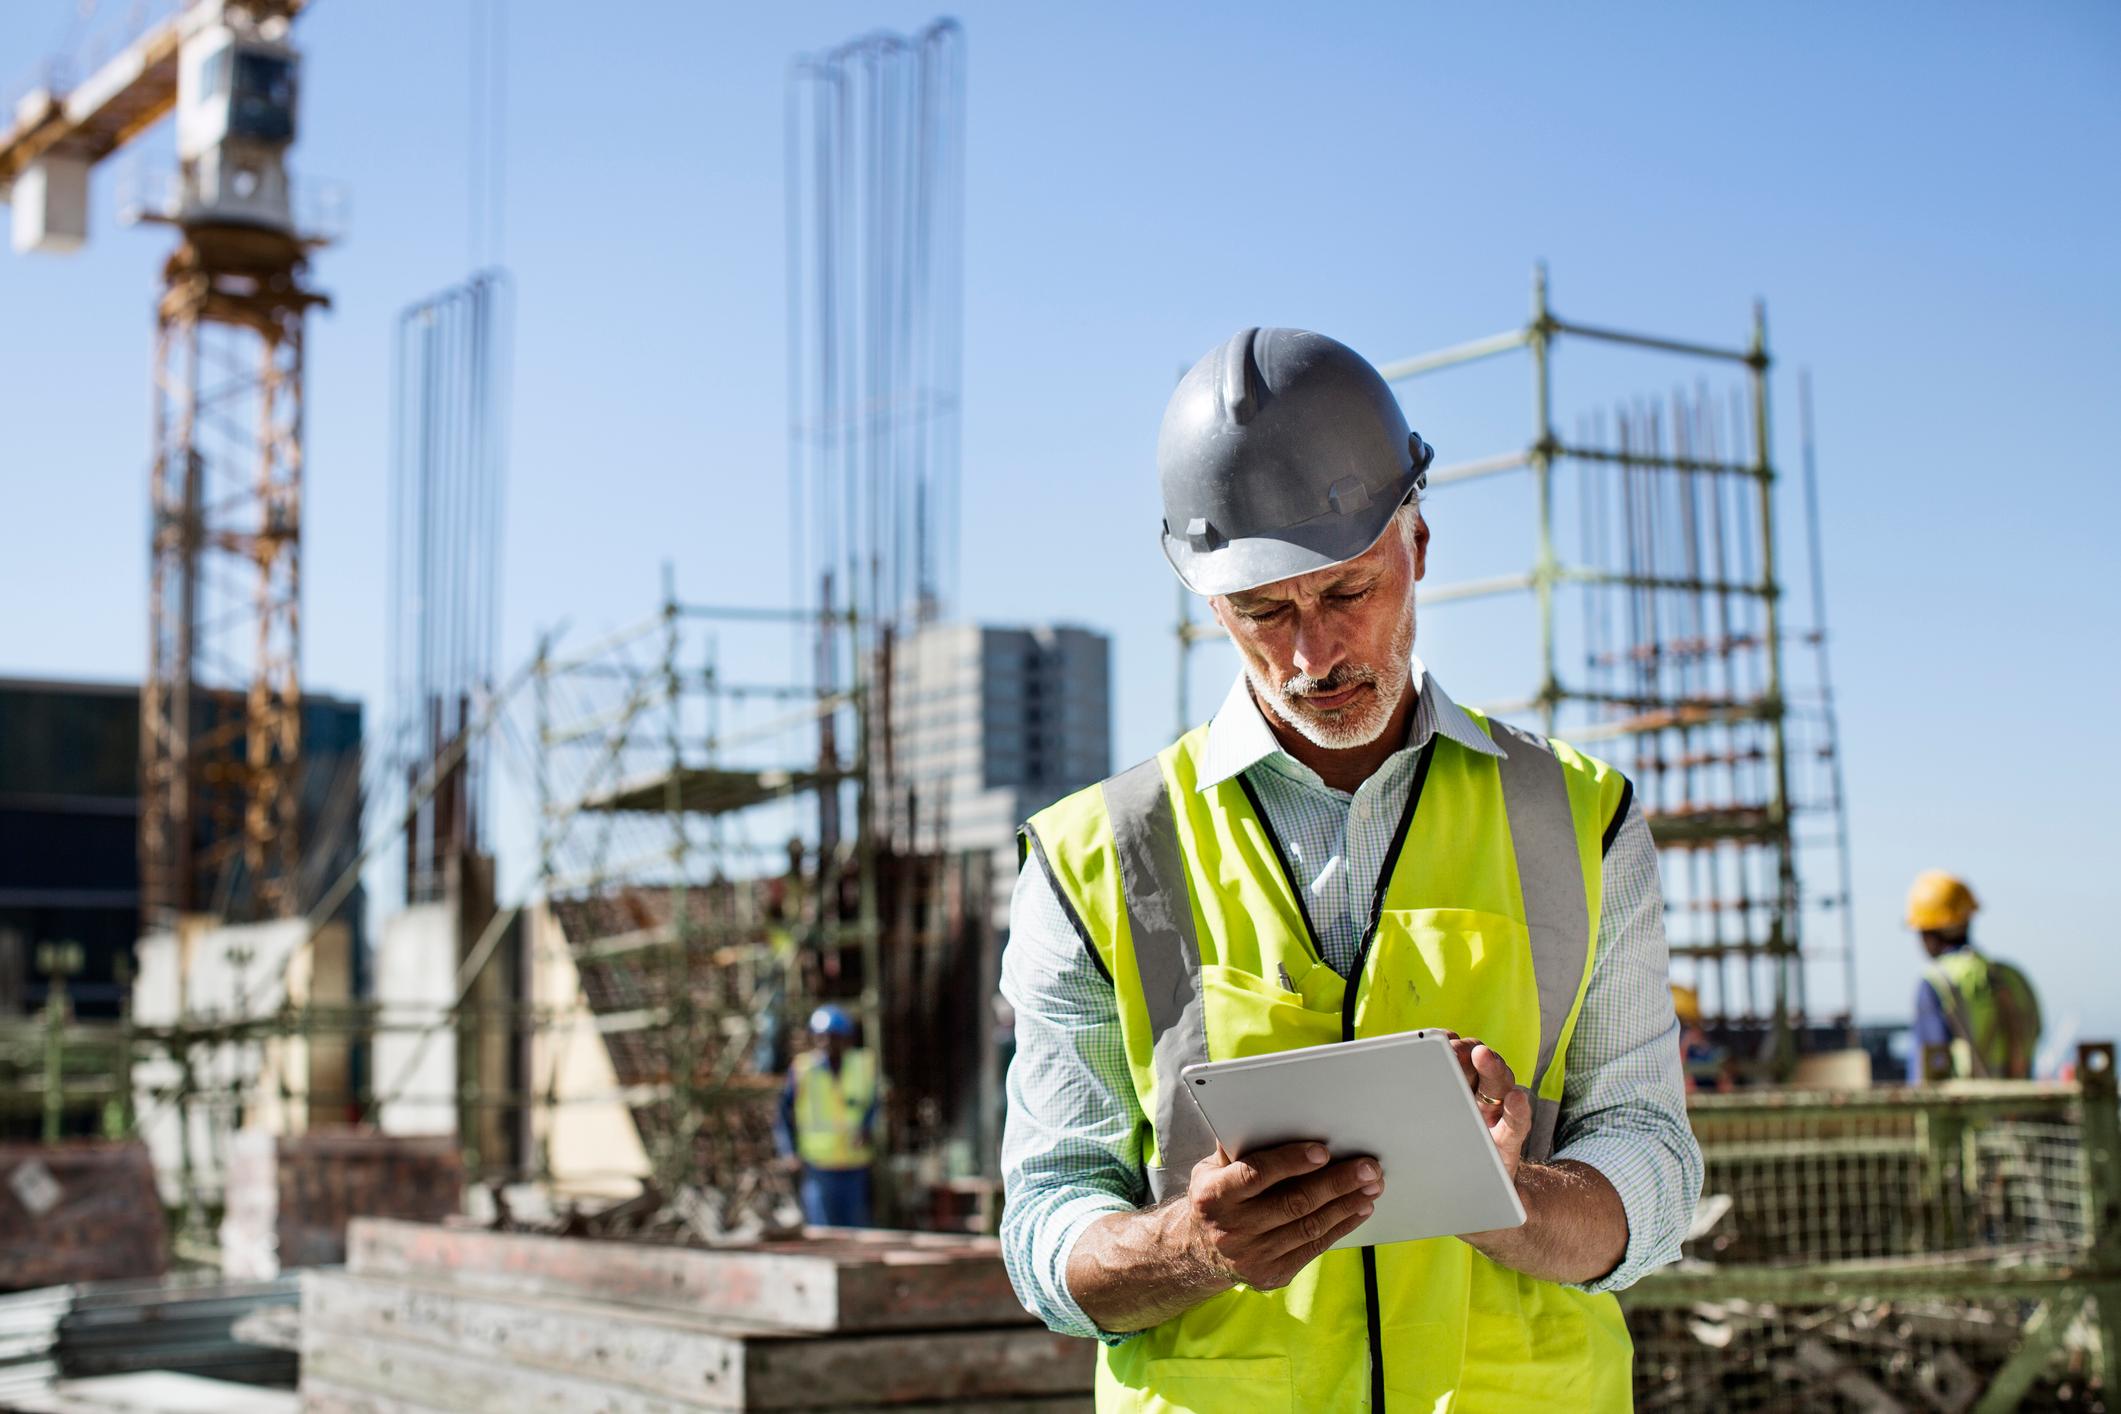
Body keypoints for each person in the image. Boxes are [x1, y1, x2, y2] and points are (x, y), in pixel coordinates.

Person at [999, 328, 1703, 1411]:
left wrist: (1508, 1194)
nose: (1310, 657)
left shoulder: (1580, 819)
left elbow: (1652, 1162)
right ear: (1205, 599)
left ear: (1417, 542)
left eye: (1346, 592)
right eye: (1262, 611)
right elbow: (1047, 1226)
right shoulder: (1092, 858)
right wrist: (1193, 1246)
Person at [1904, 870, 2041, 1080]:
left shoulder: (1936, 983)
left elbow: (1929, 1070)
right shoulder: (2013, 976)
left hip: (1966, 1110)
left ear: (1928, 932)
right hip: (2022, 1108)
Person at [774, 1004, 877, 1226]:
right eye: (823, 1038)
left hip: (854, 1166)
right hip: (819, 1168)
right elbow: (783, 1113)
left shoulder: (863, 1066)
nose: (829, 1044)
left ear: (846, 1040)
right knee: (823, 1230)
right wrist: (788, 1150)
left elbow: (874, 1105)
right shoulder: (803, 1070)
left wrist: (867, 1128)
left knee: (855, 1232)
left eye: (834, 1038)